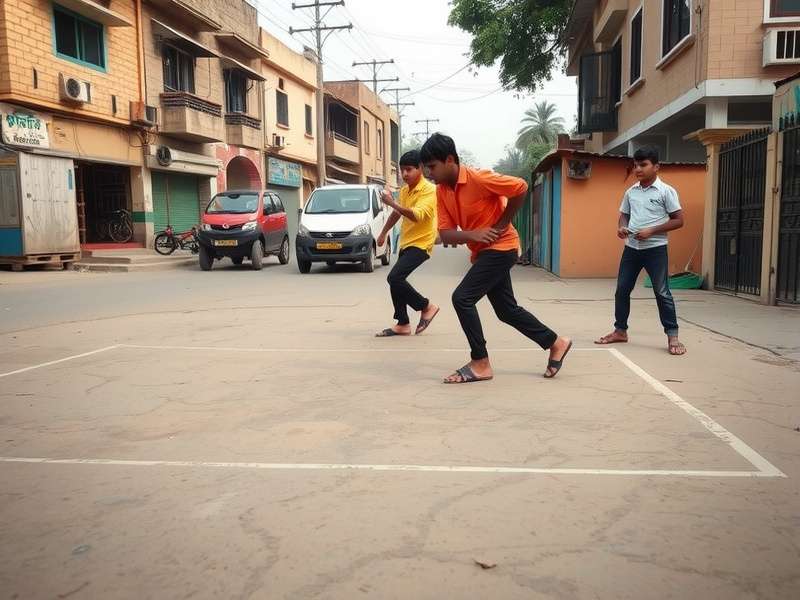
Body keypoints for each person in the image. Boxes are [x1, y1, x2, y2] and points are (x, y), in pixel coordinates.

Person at [419, 133, 572, 383]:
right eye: (426, 167)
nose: (428, 173)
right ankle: (555, 342)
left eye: (432, 166)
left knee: (462, 298)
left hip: (503, 248)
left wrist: (501, 224)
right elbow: (446, 233)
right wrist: (474, 234)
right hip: (482, 252)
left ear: (449, 160)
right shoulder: (442, 192)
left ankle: (480, 362)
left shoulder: (479, 178)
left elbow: (520, 187)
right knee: (506, 311)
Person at [595, 145, 687, 355]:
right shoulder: (631, 192)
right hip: (632, 248)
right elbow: (624, 214)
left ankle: (673, 336)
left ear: (656, 167)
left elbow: (679, 220)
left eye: (643, 165)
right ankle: (620, 331)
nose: (638, 169)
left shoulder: (666, 191)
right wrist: (621, 227)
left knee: (662, 292)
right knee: (622, 289)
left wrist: (652, 230)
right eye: (636, 165)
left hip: (655, 249)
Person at [375, 150, 440, 337]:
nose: (404, 174)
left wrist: (391, 203)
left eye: (409, 170)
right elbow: (397, 214)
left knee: (394, 278)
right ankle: (403, 323)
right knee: (396, 281)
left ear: (420, 168)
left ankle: (426, 306)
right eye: (402, 170)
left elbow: (416, 215)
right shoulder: (405, 190)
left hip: (422, 244)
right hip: (406, 242)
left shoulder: (430, 190)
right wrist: (383, 232)